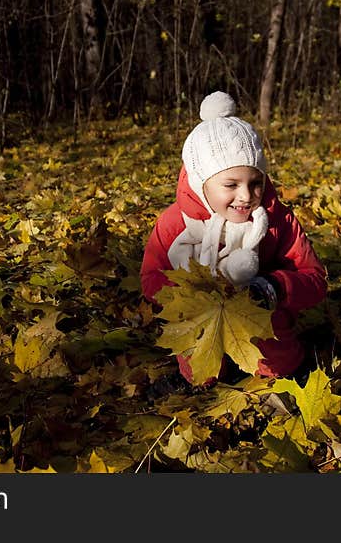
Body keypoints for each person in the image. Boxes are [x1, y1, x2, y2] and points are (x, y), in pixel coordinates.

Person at [140, 91, 328, 384]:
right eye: (231, 184)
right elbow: (150, 277)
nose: (246, 196)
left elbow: (314, 276)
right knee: (199, 372)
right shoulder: (174, 224)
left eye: (255, 183)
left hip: (260, 319)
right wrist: (189, 291)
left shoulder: (276, 219)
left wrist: (273, 287)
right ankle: (203, 378)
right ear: (200, 183)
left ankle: (282, 368)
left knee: (279, 356)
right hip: (200, 319)